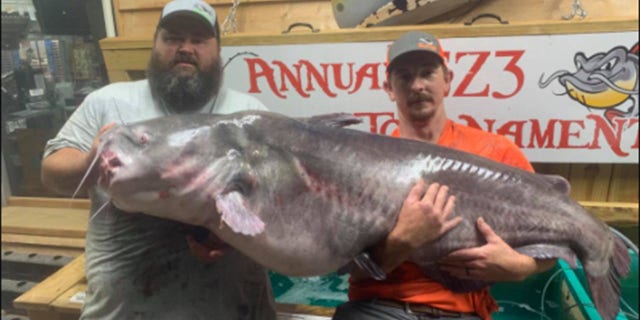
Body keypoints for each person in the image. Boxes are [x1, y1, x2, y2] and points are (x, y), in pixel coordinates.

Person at [40, 0, 276, 319]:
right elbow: (52, 172)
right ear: (155, 45)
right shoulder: (109, 102)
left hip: (234, 308)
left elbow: (276, 200)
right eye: (173, 38)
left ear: (217, 50)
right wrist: (89, 164)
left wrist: (233, 236)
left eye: (198, 39)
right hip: (123, 311)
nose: (185, 48)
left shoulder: (250, 114)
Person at [332, 31, 557, 320]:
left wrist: (521, 267)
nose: (417, 85)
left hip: (463, 312)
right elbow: (347, 267)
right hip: (379, 308)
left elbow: (554, 235)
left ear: (447, 80)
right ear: (389, 88)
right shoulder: (366, 164)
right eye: (404, 76)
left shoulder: (497, 152)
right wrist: (403, 241)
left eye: (427, 73)